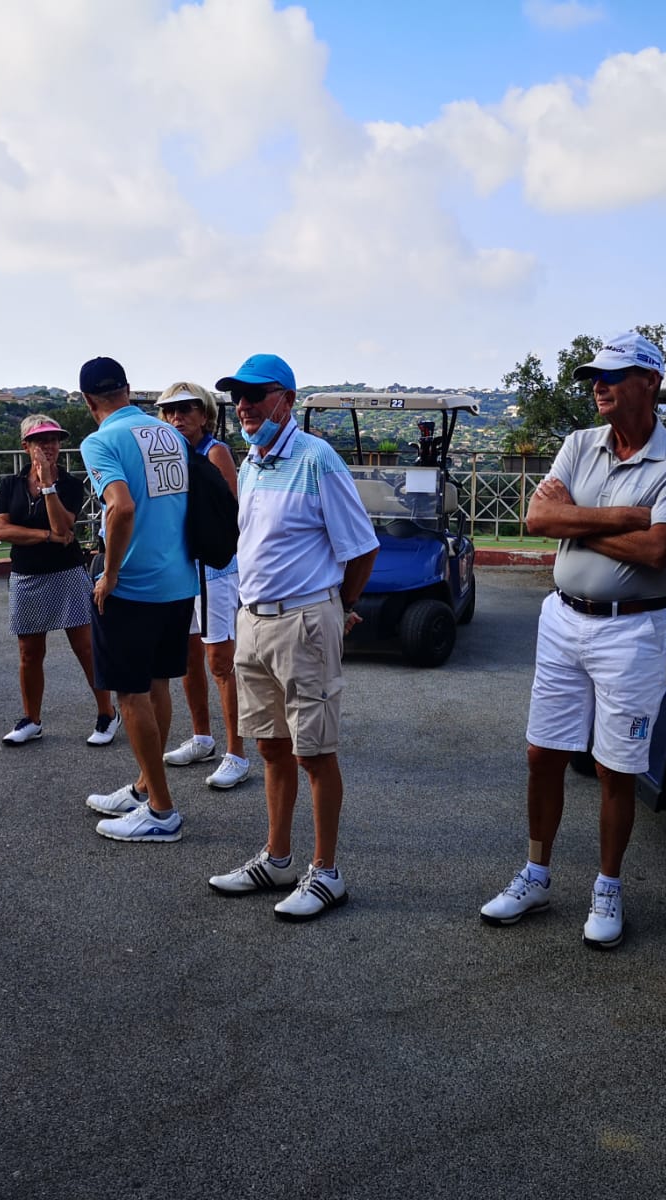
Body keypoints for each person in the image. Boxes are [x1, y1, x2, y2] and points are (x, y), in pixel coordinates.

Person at [479, 330, 666, 947]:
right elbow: (538, 517)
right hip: (563, 619)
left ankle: (608, 887)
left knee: (615, 767)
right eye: (594, 377)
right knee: (542, 754)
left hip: (632, 628)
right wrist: (629, 516)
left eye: (612, 375)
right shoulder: (580, 443)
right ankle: (536, 874)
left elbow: (659, 550)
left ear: (650, 382)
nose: (598, 386)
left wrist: (576, 521)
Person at [204, 354, 379, 922]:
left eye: (256, 395)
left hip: (303, 622)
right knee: (270, 746)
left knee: (314, 752)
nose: (245, 406)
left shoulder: (316, 459)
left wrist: (338, 607)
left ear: (287, 400)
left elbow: (362, 548)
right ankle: (277, 859)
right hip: (254, 621)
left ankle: (326, 873)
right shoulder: (253, 462)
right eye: (238, 397)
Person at [77, 357, 198, 843]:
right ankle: (146, 787)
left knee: (130, 694)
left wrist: (109, 574)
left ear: (88, 400)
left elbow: (121, 507)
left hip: (134, 586)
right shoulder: (169, 433)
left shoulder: (100, 440)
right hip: (178, 579)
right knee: (158, 684)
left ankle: (162, 811)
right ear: (127, 389)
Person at [0, 415, 117, 746]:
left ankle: (107, 713)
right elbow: (2, 530)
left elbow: (64, 527)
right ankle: (31, 719)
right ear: (26, 446)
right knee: (29, 652)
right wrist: (45, 535)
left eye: (54, 440)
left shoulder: (70, 484)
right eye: (40, 440)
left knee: (85, 648)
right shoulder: (11, 484)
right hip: (26, 575)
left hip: (67, 572)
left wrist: (48, 486)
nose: (49, 446)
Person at [154, 382, 252, 791]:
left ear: (205, 414)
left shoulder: (215, 452)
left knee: (220, 662)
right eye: (170, 411)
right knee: (189, 658)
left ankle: (237, 752)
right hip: (183, 568)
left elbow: (230, 513)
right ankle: (202, 737)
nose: (177, 418)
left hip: (213, 569)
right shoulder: (170, 455)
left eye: (187, 409)